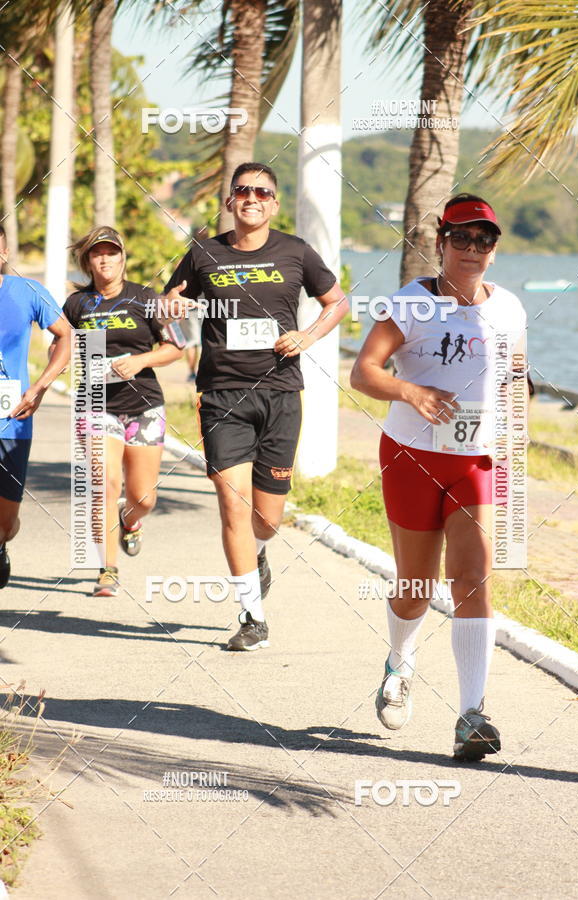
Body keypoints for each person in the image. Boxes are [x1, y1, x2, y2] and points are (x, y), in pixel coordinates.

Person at [351, 194, 527, 761]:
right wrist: (411, 390)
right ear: (441, 243)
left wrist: (514, 415)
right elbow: (365, 372)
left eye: (485, 240)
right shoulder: (411, 303)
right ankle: (399, 664)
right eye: (463, 238)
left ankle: (472, 714)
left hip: (476, 460)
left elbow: (517, 378)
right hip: (411, 455)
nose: (474, 249)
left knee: (473, 577)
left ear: (495, 251)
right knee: (414, 587)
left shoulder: (509, 310)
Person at [164, 162, 348, 651]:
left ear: (274, 202)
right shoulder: (204, 252)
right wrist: (174, 309)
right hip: (222, 394)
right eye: (242, 190)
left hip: (281, 393)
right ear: (230, 201)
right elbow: (170, 304)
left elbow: (337, 303)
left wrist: (307, 335)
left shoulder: (296, 252)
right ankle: (252, 617)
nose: (251, 198)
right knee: (232, 506)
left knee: (266, 518)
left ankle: (259, 553)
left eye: (262, 192)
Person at [64, 226, 183, 598]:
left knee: (143, 498)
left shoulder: (145, 299)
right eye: (97, 254)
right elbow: (62, 344)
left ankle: (130, 522)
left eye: (111, 253)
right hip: (96, 407)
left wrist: (139, 361)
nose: (105, 259)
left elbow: (174, 348)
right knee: (104, 483)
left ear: (122, 257)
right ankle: (107, 568)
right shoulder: (77, 305)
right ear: (88, 262)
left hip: (145, 405)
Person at [0, 225, 71, 588]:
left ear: (4, 252)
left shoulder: (26, 291)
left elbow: (65, 336)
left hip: (12, 419)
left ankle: (2, 544)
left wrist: (41, 387)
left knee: (6, 522)